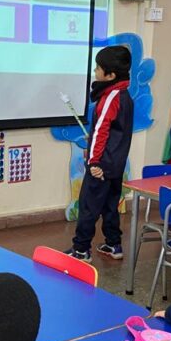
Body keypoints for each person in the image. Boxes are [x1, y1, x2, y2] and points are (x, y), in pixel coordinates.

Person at [67, 45, 134, 262]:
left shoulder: (111, 97)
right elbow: (113, 132)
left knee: (89, 205)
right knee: (109, 205)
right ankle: (114, 244)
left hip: (101, 165)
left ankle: (81, 249)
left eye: (98, 68)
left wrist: (94, 161)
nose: (95, 71)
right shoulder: (124, 95)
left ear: (111, 75)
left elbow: (100, 130)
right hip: (115, 164)